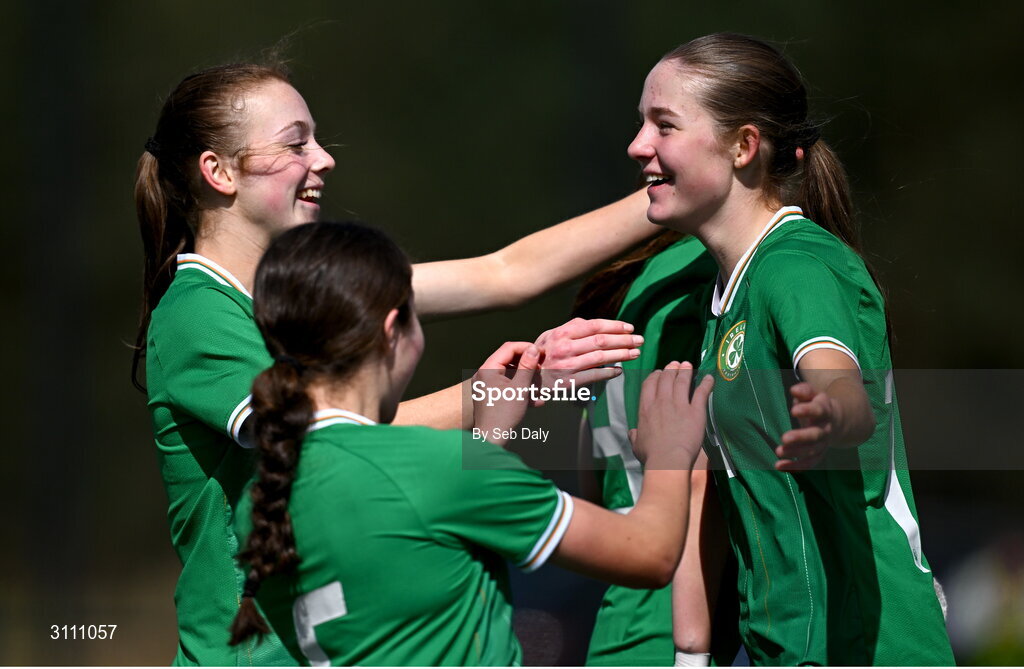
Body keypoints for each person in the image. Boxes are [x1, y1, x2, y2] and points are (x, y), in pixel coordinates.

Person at [134, 62, 658, 665]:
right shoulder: (197, 310)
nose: (324, 159)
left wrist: (673, 189)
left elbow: (508, 272)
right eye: (295, 143)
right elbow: (325, 432)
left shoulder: (308, 286)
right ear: (218, 171)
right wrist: (502, 395)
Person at [228, 220, 714, 666]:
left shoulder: (266, 496)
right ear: (393, 329)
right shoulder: (430, 468)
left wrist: (489, 439)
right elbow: (648, 555)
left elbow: (423, 563)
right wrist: (670, 452)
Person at [626, 33, 954, 665]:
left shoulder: (794, 267)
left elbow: (841, 387)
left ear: (744, 146)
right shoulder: (724, 294)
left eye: (663, 125)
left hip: (870, 648)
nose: (638, 145)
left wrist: (833, 413)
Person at [573, 233, 740, 667]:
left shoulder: (625, 289)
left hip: (620, 621)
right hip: (686, 614)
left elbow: (590, 481)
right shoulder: (725, 265)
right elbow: (705, 471)